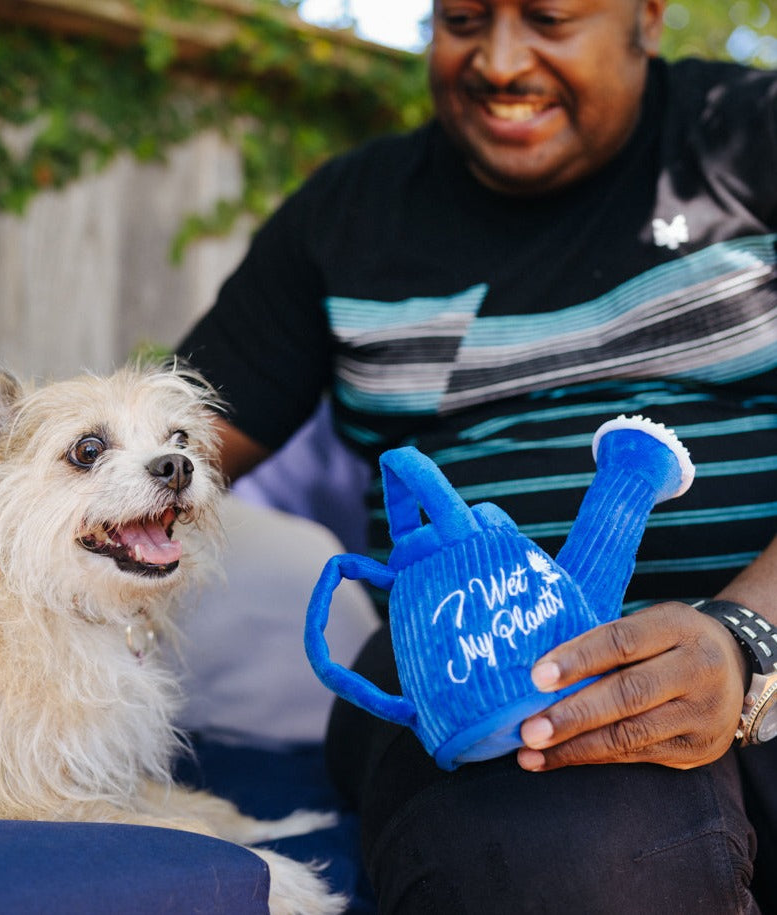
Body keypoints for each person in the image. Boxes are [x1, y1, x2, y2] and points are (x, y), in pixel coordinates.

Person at [178, 0, 777, 910]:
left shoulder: (747, 134)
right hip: (466, 667)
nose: (499, 60)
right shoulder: (347, 215)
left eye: (548, 17)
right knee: (563, 860)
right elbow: (167, 447)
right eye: (461, 19)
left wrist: (746, 638)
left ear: (647, 18)